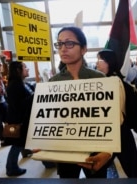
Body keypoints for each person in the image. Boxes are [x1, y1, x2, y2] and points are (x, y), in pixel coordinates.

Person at [49, 26, 117, 178]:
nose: (63, 49)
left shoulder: (100, 79)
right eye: (59, 44)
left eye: (69, 43)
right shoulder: (53, 82)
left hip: (96, 148)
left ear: (84, 49)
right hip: (65, 150)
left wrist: (108, 151)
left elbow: (111, 119)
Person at [94, 49, 137, 178]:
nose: (97, 63)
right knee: (131, 169)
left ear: (109, 62)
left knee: (132, 171)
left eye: (100, 60)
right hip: (116, 132)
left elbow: (117, 113)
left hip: (119, 132)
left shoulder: (113, 82)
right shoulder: (105, 80)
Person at [5, 61, 35, 176]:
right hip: (19, 120)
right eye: (25, 67)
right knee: (17, 144)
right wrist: (33, 97)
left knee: (20, 143)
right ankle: (11, 168)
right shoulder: (14, 85)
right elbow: (18, 105)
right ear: (18, 70)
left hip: (22, 119)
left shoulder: (20, 83)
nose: (27, 69)